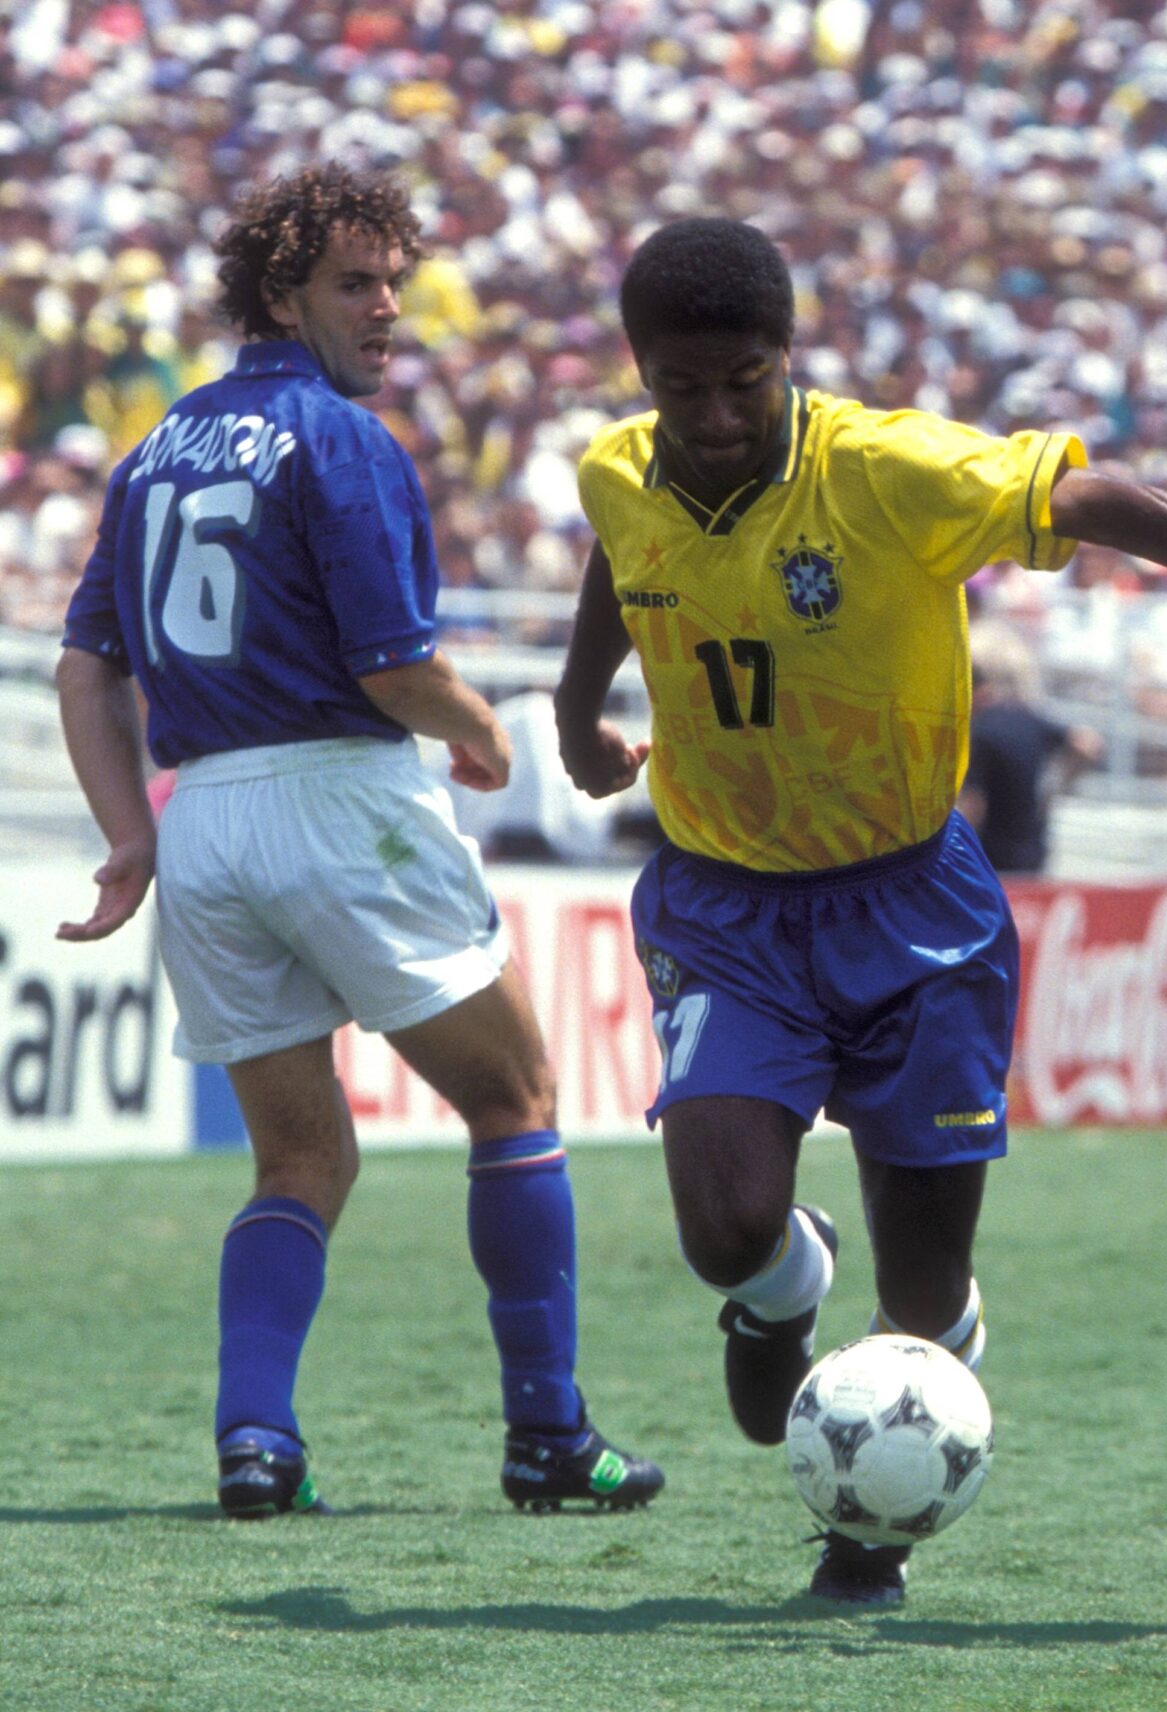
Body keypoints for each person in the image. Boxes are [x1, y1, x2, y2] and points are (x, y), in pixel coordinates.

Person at [550, 217, 1167, 1606]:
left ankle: (867, 1545)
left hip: (912, 905)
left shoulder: (885, 468)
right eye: (685, 389)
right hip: (723, 899)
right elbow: (625, 559)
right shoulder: (614, 469)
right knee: (726, 1229)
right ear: (640, 373)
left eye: (747, 381)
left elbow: (1093, 502)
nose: (719, 417)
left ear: (788, 357)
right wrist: (574, 709)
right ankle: (784, 1289)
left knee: (925, 1291)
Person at [54, 164, 663, 1521]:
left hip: (202, 824)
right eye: (355, 284)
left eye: (393, 281)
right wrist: (486, 736)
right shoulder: (336, 438)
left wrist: (126, 841)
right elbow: (394, 671)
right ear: (280, 294)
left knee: (299, 1161)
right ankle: (549, 1436)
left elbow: (85, 669)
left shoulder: (154, 453)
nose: (388, 307)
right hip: (340, 801)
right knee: (513, 1097)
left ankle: (257, 1441)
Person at [958, 625, 1102, 875]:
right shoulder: (1031, 720)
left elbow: (973, 805)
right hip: (1033, 854)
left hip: (991, 863)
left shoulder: (981, 731)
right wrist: (1057, 788)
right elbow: (1089, 745)